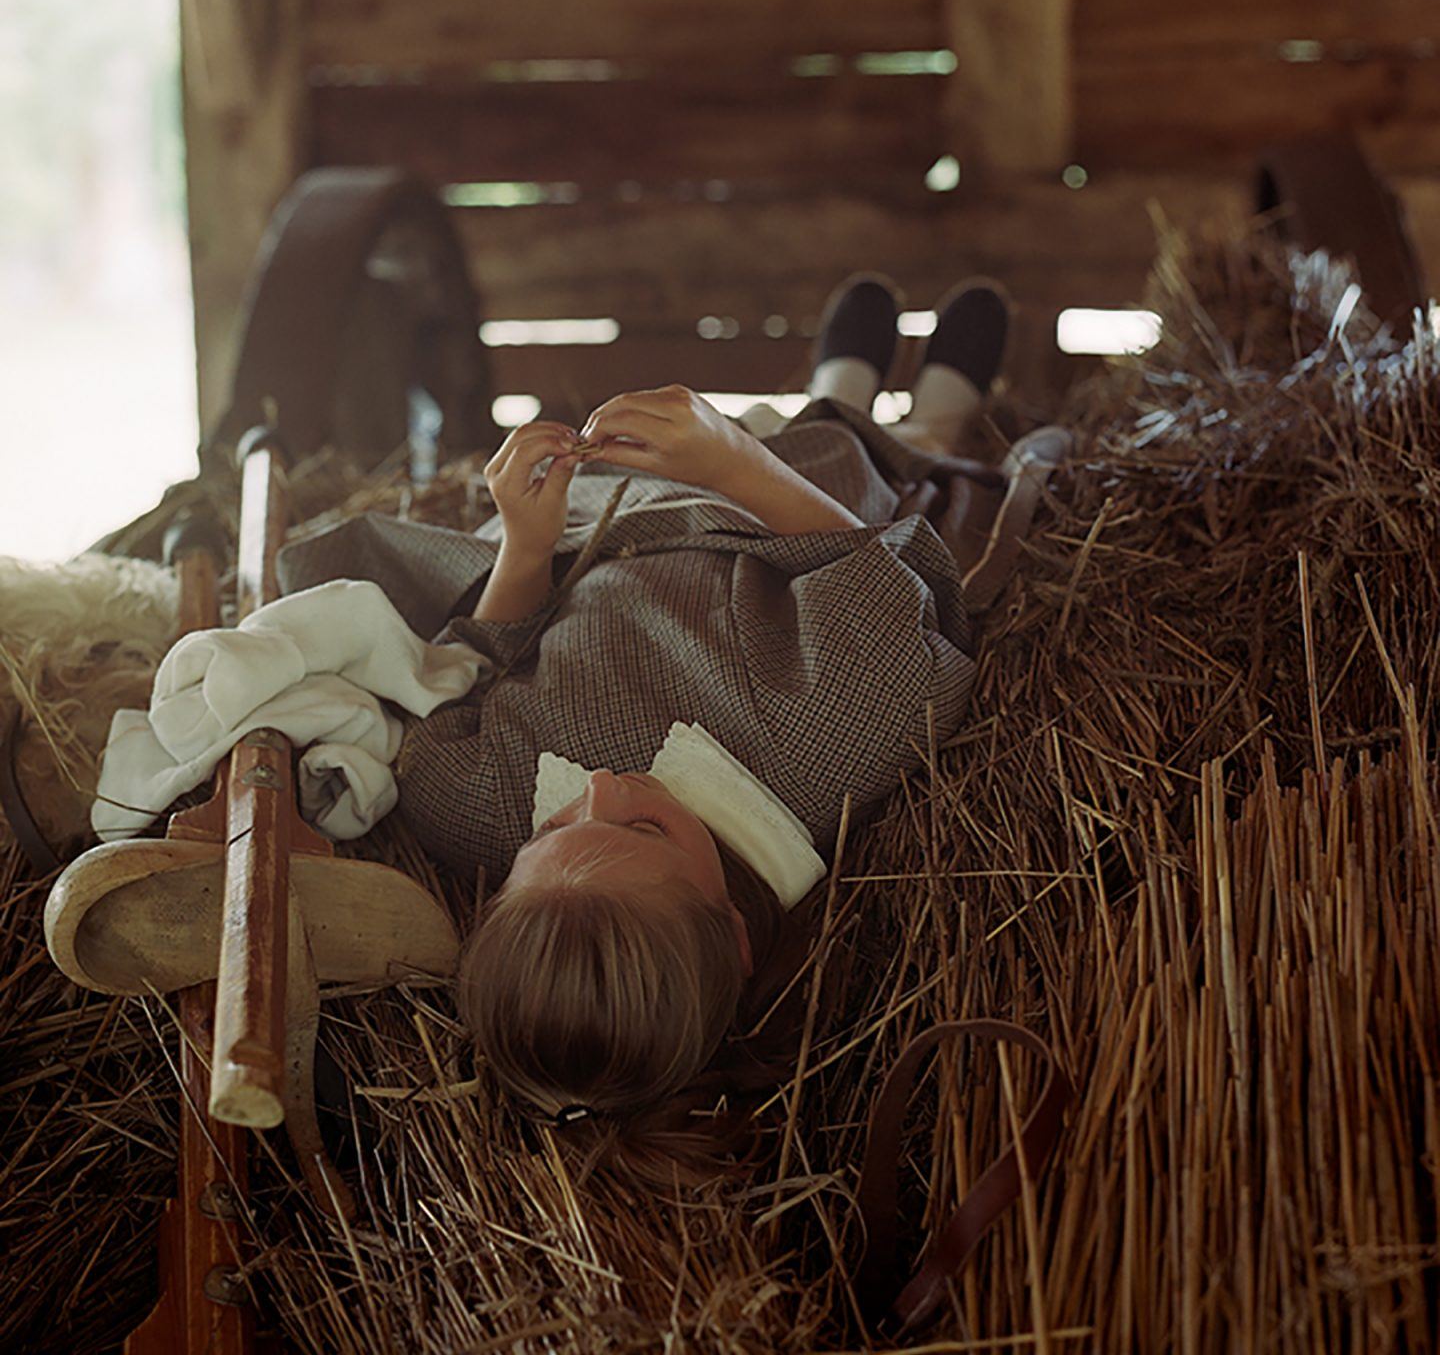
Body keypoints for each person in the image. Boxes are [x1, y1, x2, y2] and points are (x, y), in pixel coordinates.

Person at [274, 272, 1071, 1190]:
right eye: (643, 830)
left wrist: (524, 550)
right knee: (866, 449)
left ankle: (844, 377)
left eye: (557, 830)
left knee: (795, 417)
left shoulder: (472, 801)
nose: (601, 790)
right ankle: (924, 408)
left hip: (599, 522)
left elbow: (469, 659)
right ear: (732, 931)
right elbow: (872, 569)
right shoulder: (831, 738)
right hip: (778, 509)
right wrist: (737, 465)